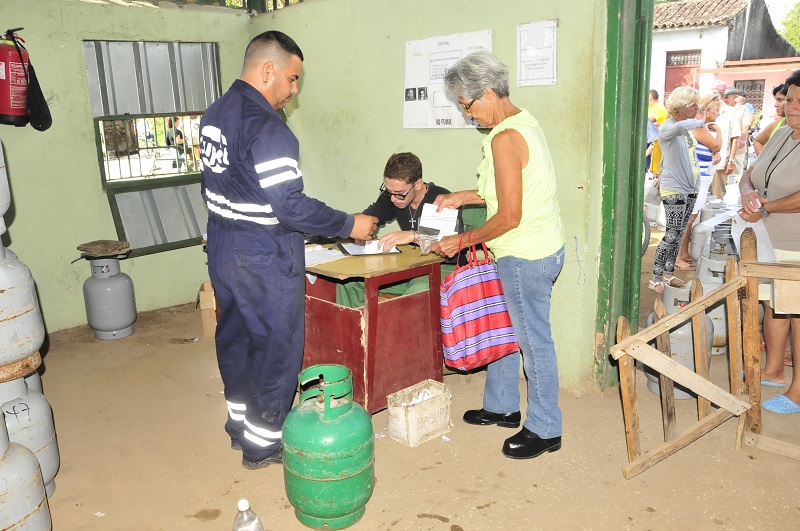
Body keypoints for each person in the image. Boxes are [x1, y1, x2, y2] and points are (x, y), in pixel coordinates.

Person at [199, 30, 378, 468]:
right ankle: (264, 443)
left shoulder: (214, 113)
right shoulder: (267, 126)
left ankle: (240, 427)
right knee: (278, 347)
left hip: (223, 243)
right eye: (292, 79)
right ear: (267, 71)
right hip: (262, 254)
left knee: (236, 339)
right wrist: (349, 224)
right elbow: (290, 206)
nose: (293, 91)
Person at [431, 51, 565, 460]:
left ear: (488, 93)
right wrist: (462, 196)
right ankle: (502, 405)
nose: (468, 115)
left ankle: (545, 428)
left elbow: (509, 214)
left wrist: (464, 240)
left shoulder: (505, 138)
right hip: (536, 246)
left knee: (533, 341)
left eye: (468, 106)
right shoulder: (522, 123)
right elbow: (506, 190)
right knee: (506, 326)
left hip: (525, 254)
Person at [739, 69, 800, 414]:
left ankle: (799, 389)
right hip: (768, 237)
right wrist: (749, 194)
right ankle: (775, 369)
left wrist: (766, 208)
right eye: (789, 99)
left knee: (798, 313)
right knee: (774, 304)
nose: (790, 106)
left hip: (795, 241)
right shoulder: (783, 132)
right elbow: (751, 171)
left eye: (798, 101)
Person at [648, 86, 705, 293]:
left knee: (679, 232)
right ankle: (655, 277)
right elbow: (685, 126)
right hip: (674, 188)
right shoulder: (669, 127)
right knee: (671, 233)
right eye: (693, 105)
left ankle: (669, 274)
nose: (697, 108)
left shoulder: (685, 129)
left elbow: (673, 155)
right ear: (680, 107)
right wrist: (704, 119)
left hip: (690, 187)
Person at [675, 93, 723, 269]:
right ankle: (679, 257)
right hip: (695, 180)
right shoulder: (699, 126)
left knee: (689, 218)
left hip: (698, 178)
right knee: (687, 219)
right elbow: (717, 146)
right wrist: (719, 131)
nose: (718, 114)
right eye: (716, 110)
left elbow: (712, 150)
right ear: (707, 110)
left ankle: (683, 253)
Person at [710, 88, 742, 200]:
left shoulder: (730, 112)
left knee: (717, 196)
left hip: (721, 159)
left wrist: (731, 161)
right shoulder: (707, 109)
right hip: (705, 159)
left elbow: (735, 136)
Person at [754, 84, 787, 156]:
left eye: (780, 100)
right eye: (776, 100)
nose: (776, 104)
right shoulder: (778, 124)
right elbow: (758, 141)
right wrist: (764, 163)